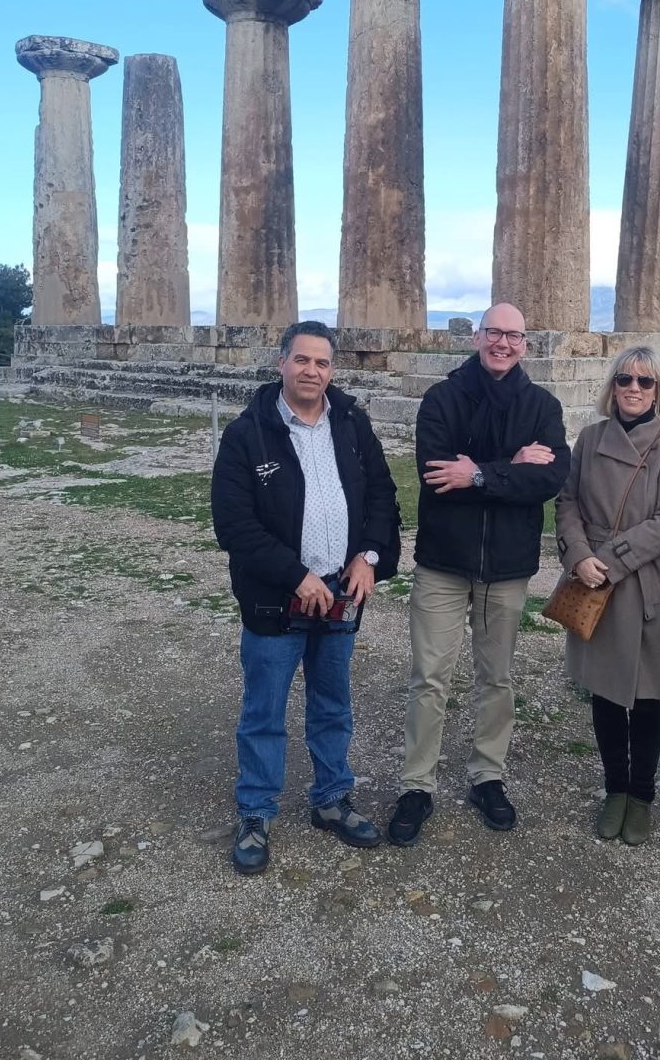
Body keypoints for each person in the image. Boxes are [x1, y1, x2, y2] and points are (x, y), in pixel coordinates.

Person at [211, 320, 401, 875]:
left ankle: (332, 798)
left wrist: (369, 556)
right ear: (281, 364)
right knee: (264, 710)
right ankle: (255, 812)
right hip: (277, 598)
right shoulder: (248, 433)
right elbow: (234, 525)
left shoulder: (352, 423)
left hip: (342, 591)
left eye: (322, 362)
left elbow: (383, 496)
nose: (311, 371)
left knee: (333, 703)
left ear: (332, 370)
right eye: (302, 360)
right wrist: (295, 575)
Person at [386, 302, 570, 846]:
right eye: (494, 332)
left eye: (513, 335)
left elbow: (550, 480)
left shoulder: (543, 406)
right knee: (429, 677)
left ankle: (488, 775)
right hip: (444, 562)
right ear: (477, 337)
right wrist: (512, 466)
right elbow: (438, 475)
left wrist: (480, 473)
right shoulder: (442, 399)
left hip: (507, 567)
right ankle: (416, 784)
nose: (502, 343)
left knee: (498, 677)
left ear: (525, 345)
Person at [555, 347, 660, 845]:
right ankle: (615, 787)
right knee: (606, 691)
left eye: (645, 381)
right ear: (612, 386)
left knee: (645, 695)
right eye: (625, 379)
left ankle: (642, 794)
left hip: (645, 580)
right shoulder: (591, 439)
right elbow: (568, 501)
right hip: (592, 577)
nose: (634, 388)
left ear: (658, 391)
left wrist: (608, 561)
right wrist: (578, 556)